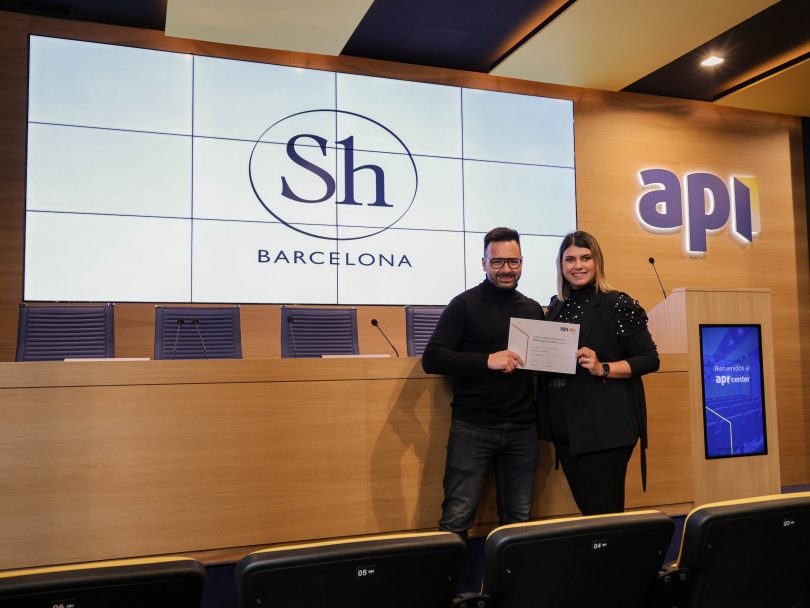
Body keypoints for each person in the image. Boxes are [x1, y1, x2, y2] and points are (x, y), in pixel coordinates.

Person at [422, 227, 544, 538]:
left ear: (521, 262)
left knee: (518, 522)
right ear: (484, 263)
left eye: (513, 262)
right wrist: (486, 360)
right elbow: (432, 358)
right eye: (498, 262)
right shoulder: (464, 305)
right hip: (473, 428)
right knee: (456, 519)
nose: (506, 269)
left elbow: (543, 362)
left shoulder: (532, 309)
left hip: (522, 429)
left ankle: (509, 575)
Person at [541, 230, 659, 515]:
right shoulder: (556, 306)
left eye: (585, 258)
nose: (577, 266)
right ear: (561, 265)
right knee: (590, 514)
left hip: (606, 431)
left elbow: (649, 359)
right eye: (570, 259)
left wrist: (602, 367)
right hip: (567, 430)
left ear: (597, 262)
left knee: (604, 516)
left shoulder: (617, 303)